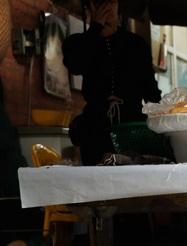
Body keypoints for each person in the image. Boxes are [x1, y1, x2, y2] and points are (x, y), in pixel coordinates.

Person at [62, 0, 161, 166]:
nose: (106, 7)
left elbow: (151, 91)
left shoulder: (136, 44)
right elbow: (76, 64)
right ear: (89, 6)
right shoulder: (78, 43)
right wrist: (95, 28)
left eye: (111, 1)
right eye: (99, 1)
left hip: (131, 129)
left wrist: (163, 118)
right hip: (95, 128)